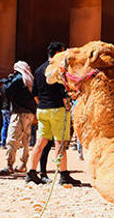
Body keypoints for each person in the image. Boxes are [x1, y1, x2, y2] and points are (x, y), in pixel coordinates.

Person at [25, 42, 81, 187]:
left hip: (42, 109)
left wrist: (42, 104)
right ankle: (63, 174)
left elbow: (34, 94)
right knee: (60, 142)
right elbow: (63, 93)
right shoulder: (58, 70)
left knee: (40, 142)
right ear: (58, 53)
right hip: (57, 109)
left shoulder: (38, 70)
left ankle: (31, 172)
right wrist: (66, 105)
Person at [0, 61, 37, 174]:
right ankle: (23, 164)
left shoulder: (18, 78)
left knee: (12, 140)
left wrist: (9, 79)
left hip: (19, 113)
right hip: (30, 114)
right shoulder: (30, 79)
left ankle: (9, 165)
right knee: (26, 141)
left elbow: (6, 90)